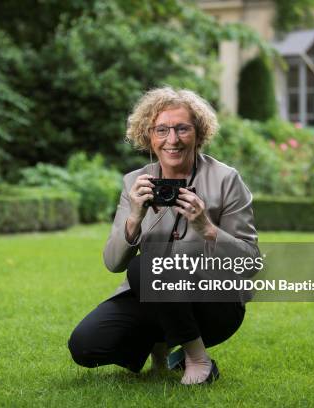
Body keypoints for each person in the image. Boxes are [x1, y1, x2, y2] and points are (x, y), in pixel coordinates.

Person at [67, 86, 260, 385]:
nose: (172, 139)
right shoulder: (135, 182)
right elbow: (112, 262)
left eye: (182, 129)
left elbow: (251, 263)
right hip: (154, 294)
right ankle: (162, 348)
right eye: (162, 130)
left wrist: (207, 228)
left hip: (213, 302)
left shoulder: (226, 180)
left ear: (198, 133)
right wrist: (134, 217)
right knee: (85, 345)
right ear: (148, 137)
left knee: (146, 267)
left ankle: (197, 359)